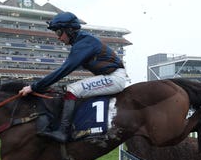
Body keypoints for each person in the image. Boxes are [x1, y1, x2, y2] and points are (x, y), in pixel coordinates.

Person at [19, 11, 128, 142]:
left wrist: (34, 87)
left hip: (115, 78)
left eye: (59, 33)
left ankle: (63, 132)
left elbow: (63, 70)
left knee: (73, 89)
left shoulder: (84, 43)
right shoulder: (82, 41)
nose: (58, 37)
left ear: (69, 30)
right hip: (111, 76)